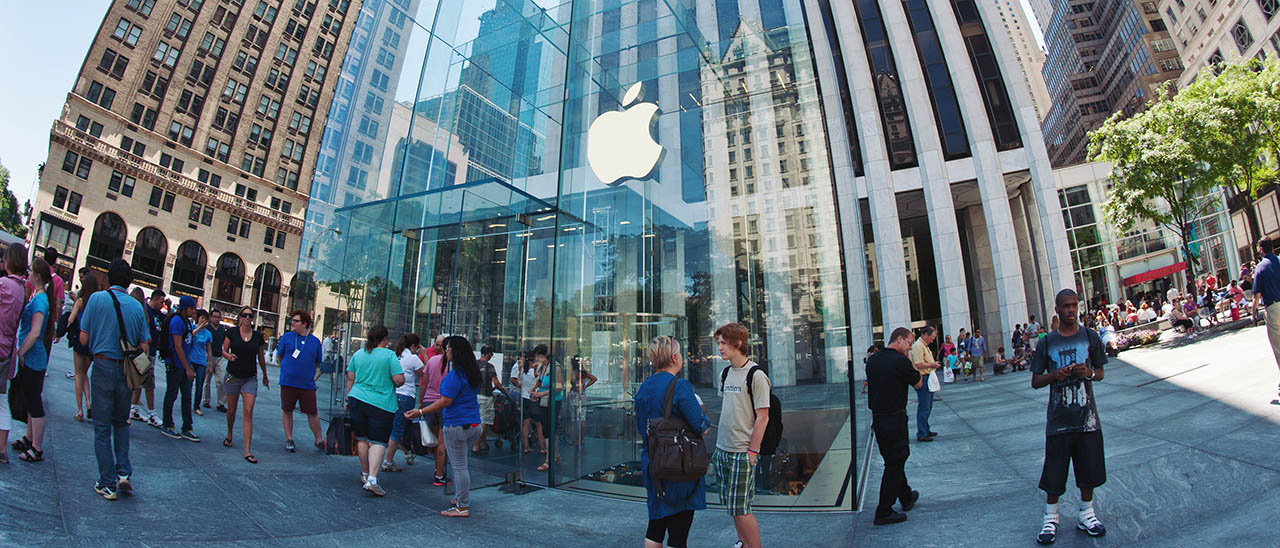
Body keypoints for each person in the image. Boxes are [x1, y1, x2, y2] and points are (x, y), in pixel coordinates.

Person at [1031, 289, 1108, 544]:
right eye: (1066, 306)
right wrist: (1055, 375)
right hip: (1058, 421)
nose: (1071, 310)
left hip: (1087, 418)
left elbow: (1100, 372)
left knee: (1088, 469)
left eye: (1074, 305)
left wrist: (1087, 372)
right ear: (1057, 309)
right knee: (1054, 472)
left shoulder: (1090, 336)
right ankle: (1050, 517)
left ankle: (1087, 513)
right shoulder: (1046, 342)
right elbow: (1036, 381)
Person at [79, 259, 150, 499]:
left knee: (101, 427)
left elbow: (83, 339)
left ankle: (106, 482)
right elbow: (144, 346)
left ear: (108, 277)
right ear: (129, 282)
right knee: (121, 422)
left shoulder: (96, 299)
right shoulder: (137, 307)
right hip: (127, 371)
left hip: (103, 364)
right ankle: (123, 473)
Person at [633, 336, 710, 548]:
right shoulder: (680, 386)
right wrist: (702, 413)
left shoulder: (644, 387)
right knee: (679, 532)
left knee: (656, 525)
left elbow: (642, 428)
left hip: (653, 463)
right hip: (679, 465)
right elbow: (701, 428)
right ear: (674, 357)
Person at [407, 336, 483, 517]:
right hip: (473, 423)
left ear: (455, 352)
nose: (446, 352)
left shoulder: (455, 375)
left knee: (459, 467)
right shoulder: (471, 373)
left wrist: (421, 411)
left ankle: (462, 506)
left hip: (456, 424)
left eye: (448, 349)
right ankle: (460, 498)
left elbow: (445, 401)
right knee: (461, 465)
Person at [711, 323, 769, 548]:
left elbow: (763, 417)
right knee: (733, 507)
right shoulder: (725, 373)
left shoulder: (756, 375)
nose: (720, 348)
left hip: (742, 452)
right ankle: (743, 543)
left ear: (738, 343)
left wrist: (752, 452)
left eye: (724, 343)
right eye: (719, 343)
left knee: (742, 509)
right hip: (722, 449)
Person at [866, 327, 925, 525]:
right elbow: (918, 383)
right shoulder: (900, 361)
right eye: (909, 343)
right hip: (894, 418)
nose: (909, 347)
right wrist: (911, 361)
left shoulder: (873, 359)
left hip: (879, 419)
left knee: (892, 459)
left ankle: (905, 496)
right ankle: (883, 510)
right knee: (895, 461)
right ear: (899, 339)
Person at [345, 325, 404, 496]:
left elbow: (350, 378)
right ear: (384, 339)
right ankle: (372, 479)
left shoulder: (359, 354)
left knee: (362, 439)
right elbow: (399, 380)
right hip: (381, 403)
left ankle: (365, 473)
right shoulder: (389, 355)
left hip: (357, 398)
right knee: (378, 442)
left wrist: (348, 398)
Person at [9, 257, 56, 463]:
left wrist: (20, 352)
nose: (27, 274)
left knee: (34, 403)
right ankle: (30, 438)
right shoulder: (40, 297)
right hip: (33, 356)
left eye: (30, 272)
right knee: (30, 399)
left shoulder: (40, 300)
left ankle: (37, 447)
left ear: (37, 276)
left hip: (33, 357)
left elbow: (35, 332)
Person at [222, 306, 269, 463]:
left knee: (248, 411)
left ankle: (247, 450)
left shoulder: (258, 337)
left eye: (250, 316)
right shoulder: (232, 333)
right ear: (240, 317)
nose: (248, 319)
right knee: (231, 411)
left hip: (250, 377)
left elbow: (261, 357)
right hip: (233, 376)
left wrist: (265, 376)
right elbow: (223, 350)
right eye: (245, 316)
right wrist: (228, 356)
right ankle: (229, 433)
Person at [277, 310, 324, 453]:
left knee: (312, 412)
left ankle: (319, 440)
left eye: (295, 321)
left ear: (304, 323)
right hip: (288, 382)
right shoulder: (287, 337)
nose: (292, 323)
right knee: (287, 409)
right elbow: (280, 357)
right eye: (292, 320)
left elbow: (317, 363)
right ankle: (289, 438)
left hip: (307, 385)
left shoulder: (315, 342)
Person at [0, 245, 28, 463]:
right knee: (2, 400)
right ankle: (1, 447)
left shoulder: (4, 285)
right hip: (7, 350)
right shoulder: (22, 290)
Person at [160, 296, 200, 441]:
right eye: (191, 308)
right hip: (176, 364)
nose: (193, 311)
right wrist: (187, 367)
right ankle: (167, 424)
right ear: (185, 308)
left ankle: (187, 427)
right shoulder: (177, 321)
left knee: (187, 395)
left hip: (184, 364)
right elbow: (178, 346)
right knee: (172, 393)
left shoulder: (187, 322)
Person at [417, 335, 452, 486]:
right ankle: (439, 474)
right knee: (442, 442)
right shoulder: (451, 364)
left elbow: (424, 383)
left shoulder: (432, 361)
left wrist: (420, 401)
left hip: (429, 402)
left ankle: (438, 471)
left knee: (436, 441)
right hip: (444, 404)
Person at [387, 333, 424, 469]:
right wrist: (424, 355)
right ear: (414, 346)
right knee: (398, 430)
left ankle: (407, 453)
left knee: (398, 427)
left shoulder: (396, 356)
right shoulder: (413, 358)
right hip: (406, 395)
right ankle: (388, 461)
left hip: (393, 394)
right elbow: (426, 372)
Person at [65, 275, 99, 422]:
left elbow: (71, 319)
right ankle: (89, 402)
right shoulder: (97, 302)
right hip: (92, 341)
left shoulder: (81, 300)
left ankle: (79, 410)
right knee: (85, 372)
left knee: (78, 374)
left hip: (80, 337)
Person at [132, 289, 165, 428]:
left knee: (141, 381)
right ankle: (152, 413)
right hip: (144, 353)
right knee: (149, 382)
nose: (163, 305)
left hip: (150, 352)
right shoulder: (146, 311)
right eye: (162, 302)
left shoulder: (158, 314)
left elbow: (165, 322)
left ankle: (134, 408)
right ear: (155, 299)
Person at [1252, 239, 1280, 406]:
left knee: (1278, 347)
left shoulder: (1260, 267)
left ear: (1261, 249)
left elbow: (1257, 296)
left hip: (1274, 308)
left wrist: (1253, 313)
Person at [530, 345, 565, 472]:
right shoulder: (542, 367)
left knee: (548, 430)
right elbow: (540, 381)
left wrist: (541, 393)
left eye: (540, 356)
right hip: (544, 401)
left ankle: (548, 460)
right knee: (549, 429)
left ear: (546, 355)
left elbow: (558, 387)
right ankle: (555, 454)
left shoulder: (555, 367)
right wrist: (534, 388)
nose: (538, 358)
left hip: (553, 401)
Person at [909, 326, 939, 442]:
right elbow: (918, 364)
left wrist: (932, 364)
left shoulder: (923, 345)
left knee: (928, 405)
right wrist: (932, 365)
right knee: (924, 406)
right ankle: (922, 432)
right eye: (931, 338)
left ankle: (925, 429)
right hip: (923, 378)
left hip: (928, 377)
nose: (932, 341)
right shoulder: (918, 346)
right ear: (926, 335)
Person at [472, 344, 504, 453]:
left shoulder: (474, 364)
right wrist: (503, 390)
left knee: (478, 420)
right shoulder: (489, 366)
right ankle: (476, 445)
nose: (491, 356)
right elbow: (496, 382)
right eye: (491, 354)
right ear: (488, 354)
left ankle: (483, 443)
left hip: (474, 395)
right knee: (484, 422)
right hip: (485, 396)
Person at [511, 351, 541, 455]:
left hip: (524, 398)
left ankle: (526, 447)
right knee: (539, 424)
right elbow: (539, 381)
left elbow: (517, 380)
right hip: (533, 398)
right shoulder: (536, 371)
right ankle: (542, 447)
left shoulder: (522, 370)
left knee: (526, 423)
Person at [202, 309, 228, 412]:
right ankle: (206, 400)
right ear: (211, 318)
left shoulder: (222, 330)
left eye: (219, 317)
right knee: (206, 380)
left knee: (221, 380)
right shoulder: (207, 328)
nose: (217, 319)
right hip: (208, 356)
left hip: (219, 356)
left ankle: (221, 403)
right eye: (215, 317)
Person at [190, 310, 212, 417]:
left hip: (201, 360)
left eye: (205, 318)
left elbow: (209, 349)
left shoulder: (208, 334)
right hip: (191, 359)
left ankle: (196, 406)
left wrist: (210, 363)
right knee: (188, 384)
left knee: (200, 385)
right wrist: (199, 327)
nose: (204, 320)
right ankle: (187, 403)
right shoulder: (193, 328)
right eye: (202, 318)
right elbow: (191, 335)